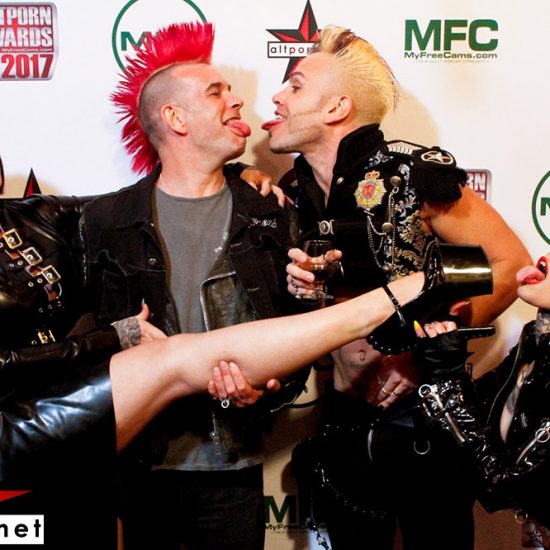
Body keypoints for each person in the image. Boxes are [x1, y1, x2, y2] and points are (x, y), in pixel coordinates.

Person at [0, 189, 433, 549]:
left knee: (175, 358)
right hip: (28, 427)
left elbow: (155, 192)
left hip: (181, 453)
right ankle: (381, 305)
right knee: (173, 358)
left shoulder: (34, 215)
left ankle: (383, 304)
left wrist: (239, 174)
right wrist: (112, 338)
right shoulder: (99, 220)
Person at [261, 25, 532, 549]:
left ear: (337, 107)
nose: (277, 97)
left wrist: (420, 357)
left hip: (425, 420)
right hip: (342, 421)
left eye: (294, 86)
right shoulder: (294, 191)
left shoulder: (411, 174)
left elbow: (508, 264)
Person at [77, 21, 302, 550]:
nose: (237, 101)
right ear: (175, 118)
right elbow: (79, 346)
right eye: (216, 92)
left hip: (234, 467)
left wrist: (267, 389)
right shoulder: (104, 221)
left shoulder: (268, 214)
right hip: (139, 467)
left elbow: (300, 336)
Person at [415, 251, 550, 550]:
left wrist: (445, 383)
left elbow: (502, 488)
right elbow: (480, 417)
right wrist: (448, 352)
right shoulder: (537, 340)